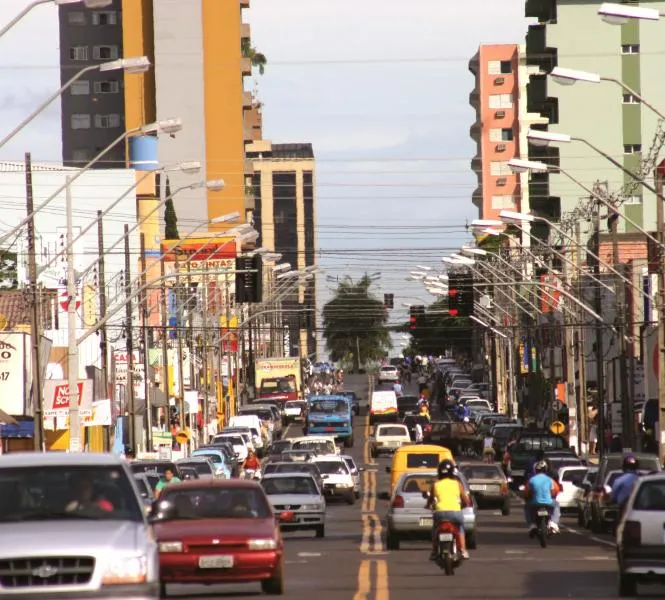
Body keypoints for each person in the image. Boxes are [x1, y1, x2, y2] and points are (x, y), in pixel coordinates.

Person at [427, 459, 470, 560]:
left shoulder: (435, 484)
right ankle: (463, 550)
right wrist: (463, 505)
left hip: (440, 513)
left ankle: (434, 551)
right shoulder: (457, 484)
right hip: (455, 513)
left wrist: (429, 505)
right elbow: (465, 500)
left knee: (435, 529)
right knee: (460, 528)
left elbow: (430, 500)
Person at [524, 460, 559, 534]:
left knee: (527, 507)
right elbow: (556, 490)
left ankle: (532, 525)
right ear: (546, 470)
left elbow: (527, 492)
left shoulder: (531, 480)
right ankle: (553, 523)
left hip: (535, 502)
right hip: (549, 502)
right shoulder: (550, 480)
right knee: (556, 505)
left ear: (535, 470)